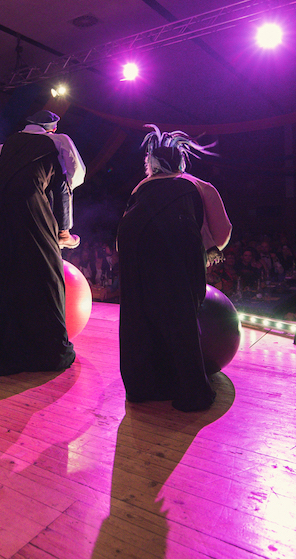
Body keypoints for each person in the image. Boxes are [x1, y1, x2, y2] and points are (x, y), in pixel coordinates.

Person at [116, 125, 232, 412]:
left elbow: (125, 227)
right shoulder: (198, 184)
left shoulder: (141, 186)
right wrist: (209, 250)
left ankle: (142, 387)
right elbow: (223, 232)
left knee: (138, 316)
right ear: (181, 162)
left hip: (133, 247)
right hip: (178, 246)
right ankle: (191, 392)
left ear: (151, 164)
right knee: (181, 316)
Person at [0, 113, 83, 378]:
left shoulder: (7, 144)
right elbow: (66, 183)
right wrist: (64, 229)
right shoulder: (57, 141)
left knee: (1, 271)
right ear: (52, 128)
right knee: (44, 272)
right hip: (27, 204)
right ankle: (48, 349)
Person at [0, 110, 85, 248]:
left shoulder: (10, 141)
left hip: (6, 190)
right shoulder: (59, 139)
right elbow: (76, 168)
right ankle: (63, 233)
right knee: (62, 181)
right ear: (53, 128)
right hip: (41, 189)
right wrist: (69, 184)